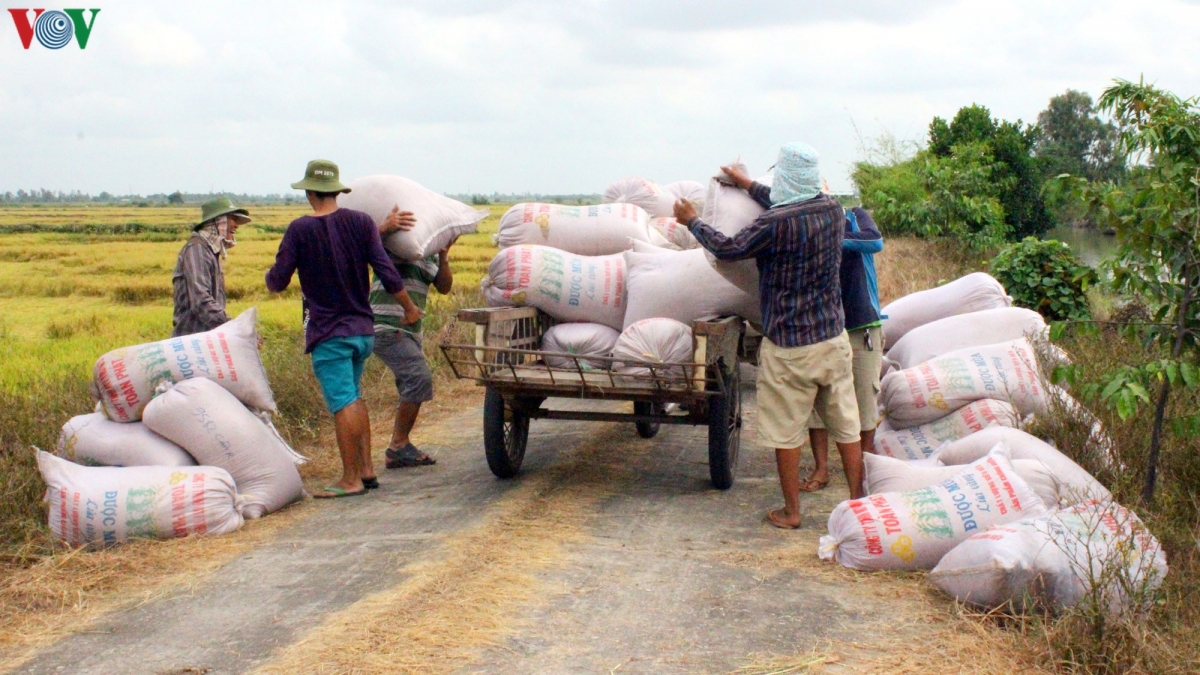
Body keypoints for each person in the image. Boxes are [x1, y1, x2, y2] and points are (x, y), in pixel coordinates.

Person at [673, 142, 864, 530]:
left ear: (785, 180)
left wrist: (691, 221)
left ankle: (792, 513)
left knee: (787, 432)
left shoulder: (774, 224)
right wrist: (748, 185)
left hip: (790, 347)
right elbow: (785, 199)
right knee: (845, 424)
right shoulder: (832, 210)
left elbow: (728, 249)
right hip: (832, 339)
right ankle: (860, 504)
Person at [265, 159, 422, 499]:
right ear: (337, 191)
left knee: (342, 402)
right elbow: (386, 270)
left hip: (329, 333)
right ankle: (366, 471)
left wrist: (272, 272)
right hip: (363, 330)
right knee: (354, 396)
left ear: (309, 192)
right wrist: (408, 307)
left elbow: (277, 282)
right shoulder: (363, 223)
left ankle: (350, 479)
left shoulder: (299, 230)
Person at [802, 207, 885, 492]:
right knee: (819, 402)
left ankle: (864, 473)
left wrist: (828, 237)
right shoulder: (804, 228)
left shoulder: (854, 216)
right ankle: (821, 469)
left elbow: (874, 241)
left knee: (864, 402)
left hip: (862, 327)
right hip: (823, 327)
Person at [369, 206, 455, 468]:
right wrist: (384, 228)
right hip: (387, 325)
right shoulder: (392, 245)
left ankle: (400, 447)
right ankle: (398, 445)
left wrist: (443, 256)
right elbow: (360, 244)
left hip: (410, 329)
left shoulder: (424, 253)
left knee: (409, 383)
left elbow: (444, 287)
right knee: (419, 378)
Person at [172, 197, 250, 337]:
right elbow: (200, 300)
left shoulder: (210, 251)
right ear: (218, 221)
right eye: (232, 218)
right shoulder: (197, 250)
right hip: (192, 340)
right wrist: (233, 328)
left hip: (206, 340)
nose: (236, 225)